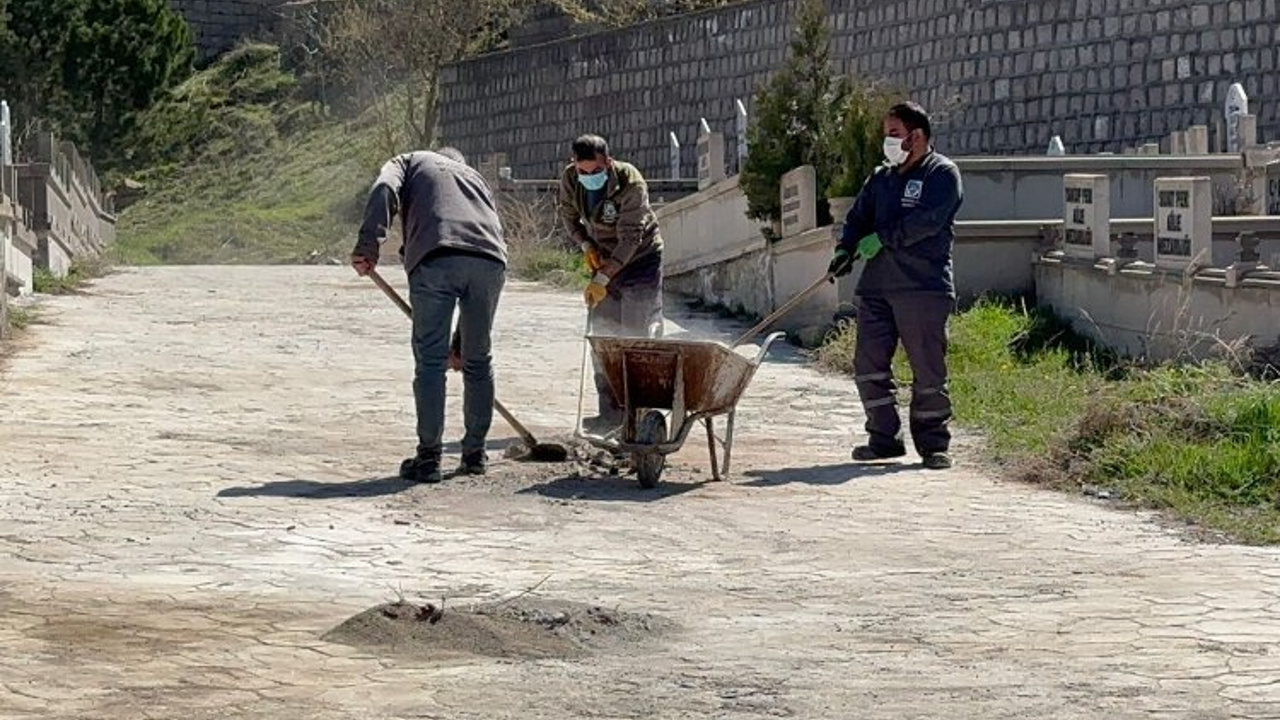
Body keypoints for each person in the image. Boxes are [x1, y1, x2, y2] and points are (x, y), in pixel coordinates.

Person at [351, 147, 507, 484]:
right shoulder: (475, 178)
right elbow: (483, 233)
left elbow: (384, 189)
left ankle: (429, 458)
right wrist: (461, 344)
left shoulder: (409, 161)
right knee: (478, 360)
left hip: (436, 257)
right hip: (490, 260)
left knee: (431, 363)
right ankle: (475, 455)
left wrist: (368, 246)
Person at [828, 101, 963, 471]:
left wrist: (883, 238)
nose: (887, 142)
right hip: (877, 288)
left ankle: (934, 444)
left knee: (927, 368)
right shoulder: (882, 179)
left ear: (916, 136)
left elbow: (929, 221)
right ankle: (884, 439)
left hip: (923, 288)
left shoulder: (942, 174)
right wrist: (845, 248)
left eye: (893, 134)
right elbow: (857, 218)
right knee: (868, 365)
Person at [557, 134, 664, 434]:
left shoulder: (631, 182)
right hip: (604, 257)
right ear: (574, 165)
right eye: (583, 171)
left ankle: (637, 415)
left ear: (608, 162)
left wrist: (604, 277)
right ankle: (610, 414)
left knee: (633, 335)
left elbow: (631, 238)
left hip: (640, 259)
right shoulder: (569, 179)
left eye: (596, 171)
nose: (589, 177)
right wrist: (586, 246)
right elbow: (568, 217)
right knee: (602, 336)